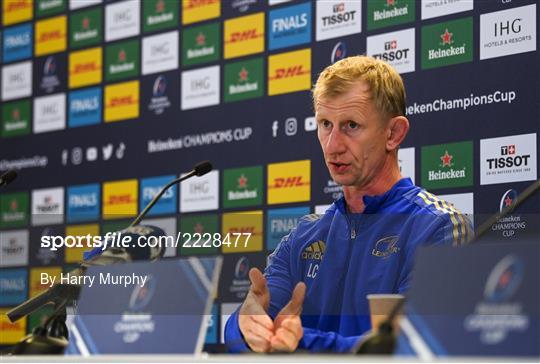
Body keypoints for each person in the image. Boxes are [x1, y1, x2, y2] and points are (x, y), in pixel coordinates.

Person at [224, 56, 472, 353]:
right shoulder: (304, 235)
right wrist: (244, 324)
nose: (332, 145)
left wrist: (299, 342)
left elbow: (414, 345)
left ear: (393, 134)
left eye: (351, 125)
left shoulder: (438, 227)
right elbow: (249, 328)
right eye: (325, 124)